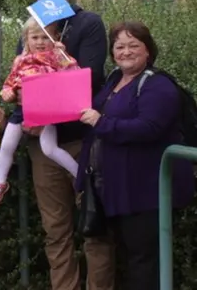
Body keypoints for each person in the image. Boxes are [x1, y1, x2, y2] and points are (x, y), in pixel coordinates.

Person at [17, 0, 113, 290]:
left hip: (82, 141)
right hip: (43, 142)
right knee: (55, 231)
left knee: (94, 226)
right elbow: (22, 81)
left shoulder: (88, 24)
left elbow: (92, 78)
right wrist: (23, 112)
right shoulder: (31, 27)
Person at [77, 21, 194, 290]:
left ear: (148, 51)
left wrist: (102, 123)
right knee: (126, 258)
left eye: (133, 45)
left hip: (146, 191)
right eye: (119, 46)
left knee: (143, 261)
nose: (125, 51)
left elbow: (149, 128)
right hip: (115, 189)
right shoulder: (115, 79)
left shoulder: (158, 85)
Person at [0, 18, 79, 205]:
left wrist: (61, 53)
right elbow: (11, 82)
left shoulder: (56, 57)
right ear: (26, 40)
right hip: (23, 109)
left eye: (44, 37)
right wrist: (7, 92)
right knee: (7, 145)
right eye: (34, 37)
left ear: (54, 38)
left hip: (47, 110)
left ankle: (79, 174)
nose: (39, 42)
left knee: (49, 148)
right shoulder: (20, 61)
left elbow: (74, 73)